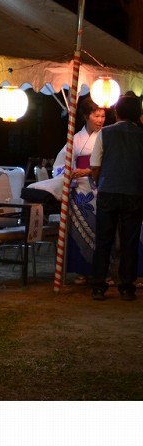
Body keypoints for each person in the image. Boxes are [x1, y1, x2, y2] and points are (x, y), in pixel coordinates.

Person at [90, 93, 143, 301]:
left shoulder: (105, 133)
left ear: (117, 112)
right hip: (135, 193)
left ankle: (98, 286)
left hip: (108, 191)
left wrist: (100, 182)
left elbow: (95, 166)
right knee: (130, 242)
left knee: (104, 240)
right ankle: (127, 287)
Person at [50, 98, 106, 285]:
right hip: (79, 191)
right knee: (78, 231)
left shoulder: (106, 136)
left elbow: (108, 164)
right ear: (86, 116)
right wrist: (71, 172)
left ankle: (101, 272)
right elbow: (60, 163)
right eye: (96, 116)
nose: (100, 120)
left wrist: (88, 171)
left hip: (99, 189)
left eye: (103, 116)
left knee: (101, 231)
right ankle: (82, 271)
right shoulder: (75, 139)